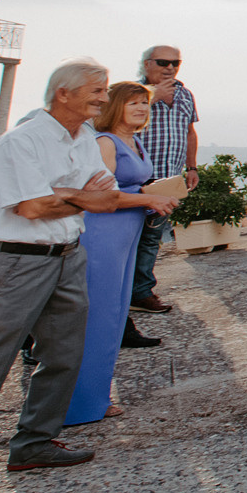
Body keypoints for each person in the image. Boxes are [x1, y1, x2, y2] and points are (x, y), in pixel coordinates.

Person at [0, 60, 176, 493]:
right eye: (96, 91)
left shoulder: (82, 140)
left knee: (64, 356)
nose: (103, 98)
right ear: (63, 94)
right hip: (17, 262)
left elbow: (106, 198)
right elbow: (34, 208)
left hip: (69, 256)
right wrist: (78, 196)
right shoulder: (23, 141)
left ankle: (34, 443)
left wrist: (67, 195)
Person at [65, 82, 170, 426]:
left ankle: (96, 397)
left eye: (145, 103)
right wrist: (148, 198)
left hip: (126, 236)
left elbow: (131, 187)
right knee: (98, 317)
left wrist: (152, 196)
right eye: (132, 103)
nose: (141, 108)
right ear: (115, 107)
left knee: (114, 315)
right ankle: (77, 405)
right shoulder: (106, 142)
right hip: (102, 236)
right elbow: (100, 196)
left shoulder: (134, 141)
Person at [130, 45, 199, 317]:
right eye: (162, 62)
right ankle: (122, 291)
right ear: (147, 64)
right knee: (128, 238)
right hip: (135, 179)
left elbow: (190, 132)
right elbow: (112, 125)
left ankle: (141, 292)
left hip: (167, 178)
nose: (170, 68)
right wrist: (153, 97)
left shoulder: (185, 94)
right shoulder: (131, 93)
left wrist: (191, 167)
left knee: (151, 238)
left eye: (175, 63)